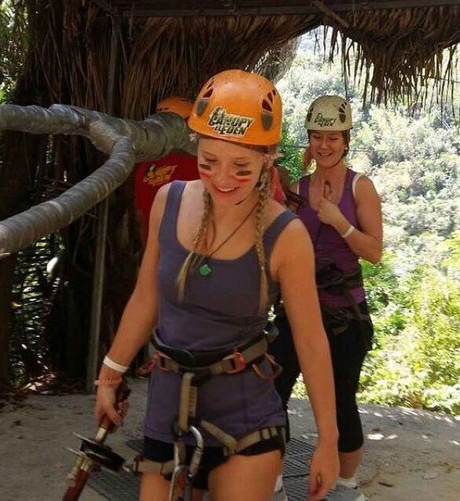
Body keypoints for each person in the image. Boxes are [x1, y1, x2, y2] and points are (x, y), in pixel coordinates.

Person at [95, 70, 340, 501]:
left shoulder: (287, 236)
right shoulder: (169, 201)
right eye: (208, 162)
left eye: (240, 168)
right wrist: (110, 374)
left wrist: (328, 439)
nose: (222, 178)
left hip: (245, 413)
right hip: (169, 405)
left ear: (267, 158)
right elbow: (147, 296)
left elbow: (310, 340)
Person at [269, 95, 383, 501]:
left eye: (333, 137)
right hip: (298, 306)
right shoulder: (298, 189)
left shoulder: (360, 187)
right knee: (272, 391)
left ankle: (346, 485)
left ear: (346, 140)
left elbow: (374, 251)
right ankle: (273, 477)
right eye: (317, 136)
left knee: (339, 400)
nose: (324, 145)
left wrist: (339, 222)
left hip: (344, 313)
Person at [133, 96, 201, 245]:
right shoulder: (201, 160)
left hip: (161, 251)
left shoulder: (144, 167)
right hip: (195, 249)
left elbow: (141, 219)